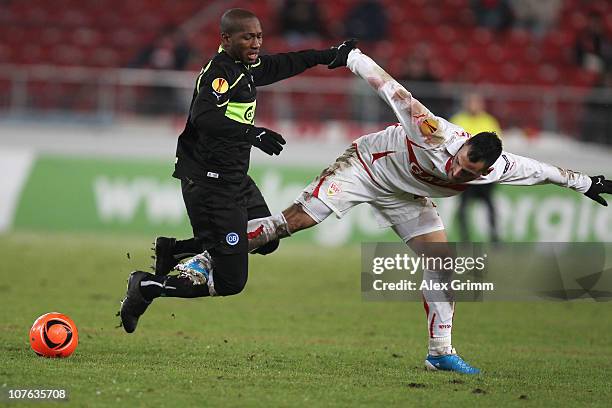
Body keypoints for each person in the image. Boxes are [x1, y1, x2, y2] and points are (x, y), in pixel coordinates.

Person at [165, 41, 612, 374]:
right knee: (293, 222)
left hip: (405, 195)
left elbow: (542, 170)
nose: (460, 176)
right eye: (460, 166)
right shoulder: (431, 130)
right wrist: (353, 57)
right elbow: (391, 89)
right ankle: (207, 256)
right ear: (461, 147)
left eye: (470, 175)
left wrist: (586, 182)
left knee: (443, 264)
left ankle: (440, 353)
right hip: (364, 167)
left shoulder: (496, 168)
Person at [118, 8, 352, 334]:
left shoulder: (248, 68)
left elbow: (285, 63)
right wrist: (251, 133)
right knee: (231, 281)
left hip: (235, 179)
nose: (256, 43)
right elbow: (204, 116)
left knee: (267, 240)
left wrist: (330, 55)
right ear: (226, 39)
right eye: (247, 37)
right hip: (210, 183)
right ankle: (146, 287)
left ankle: (176, 250)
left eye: (258, 36)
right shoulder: (221, 72)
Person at [450, 92, 502, 242]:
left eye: (476, 102)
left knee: (490, 206)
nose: (473, 106)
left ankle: (494, 237)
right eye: (471, 102)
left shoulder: (489, 121)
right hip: (466, 173)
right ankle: (465, 239)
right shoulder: (458, 119)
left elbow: (497, 148)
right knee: (463, 208)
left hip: (483, 173)